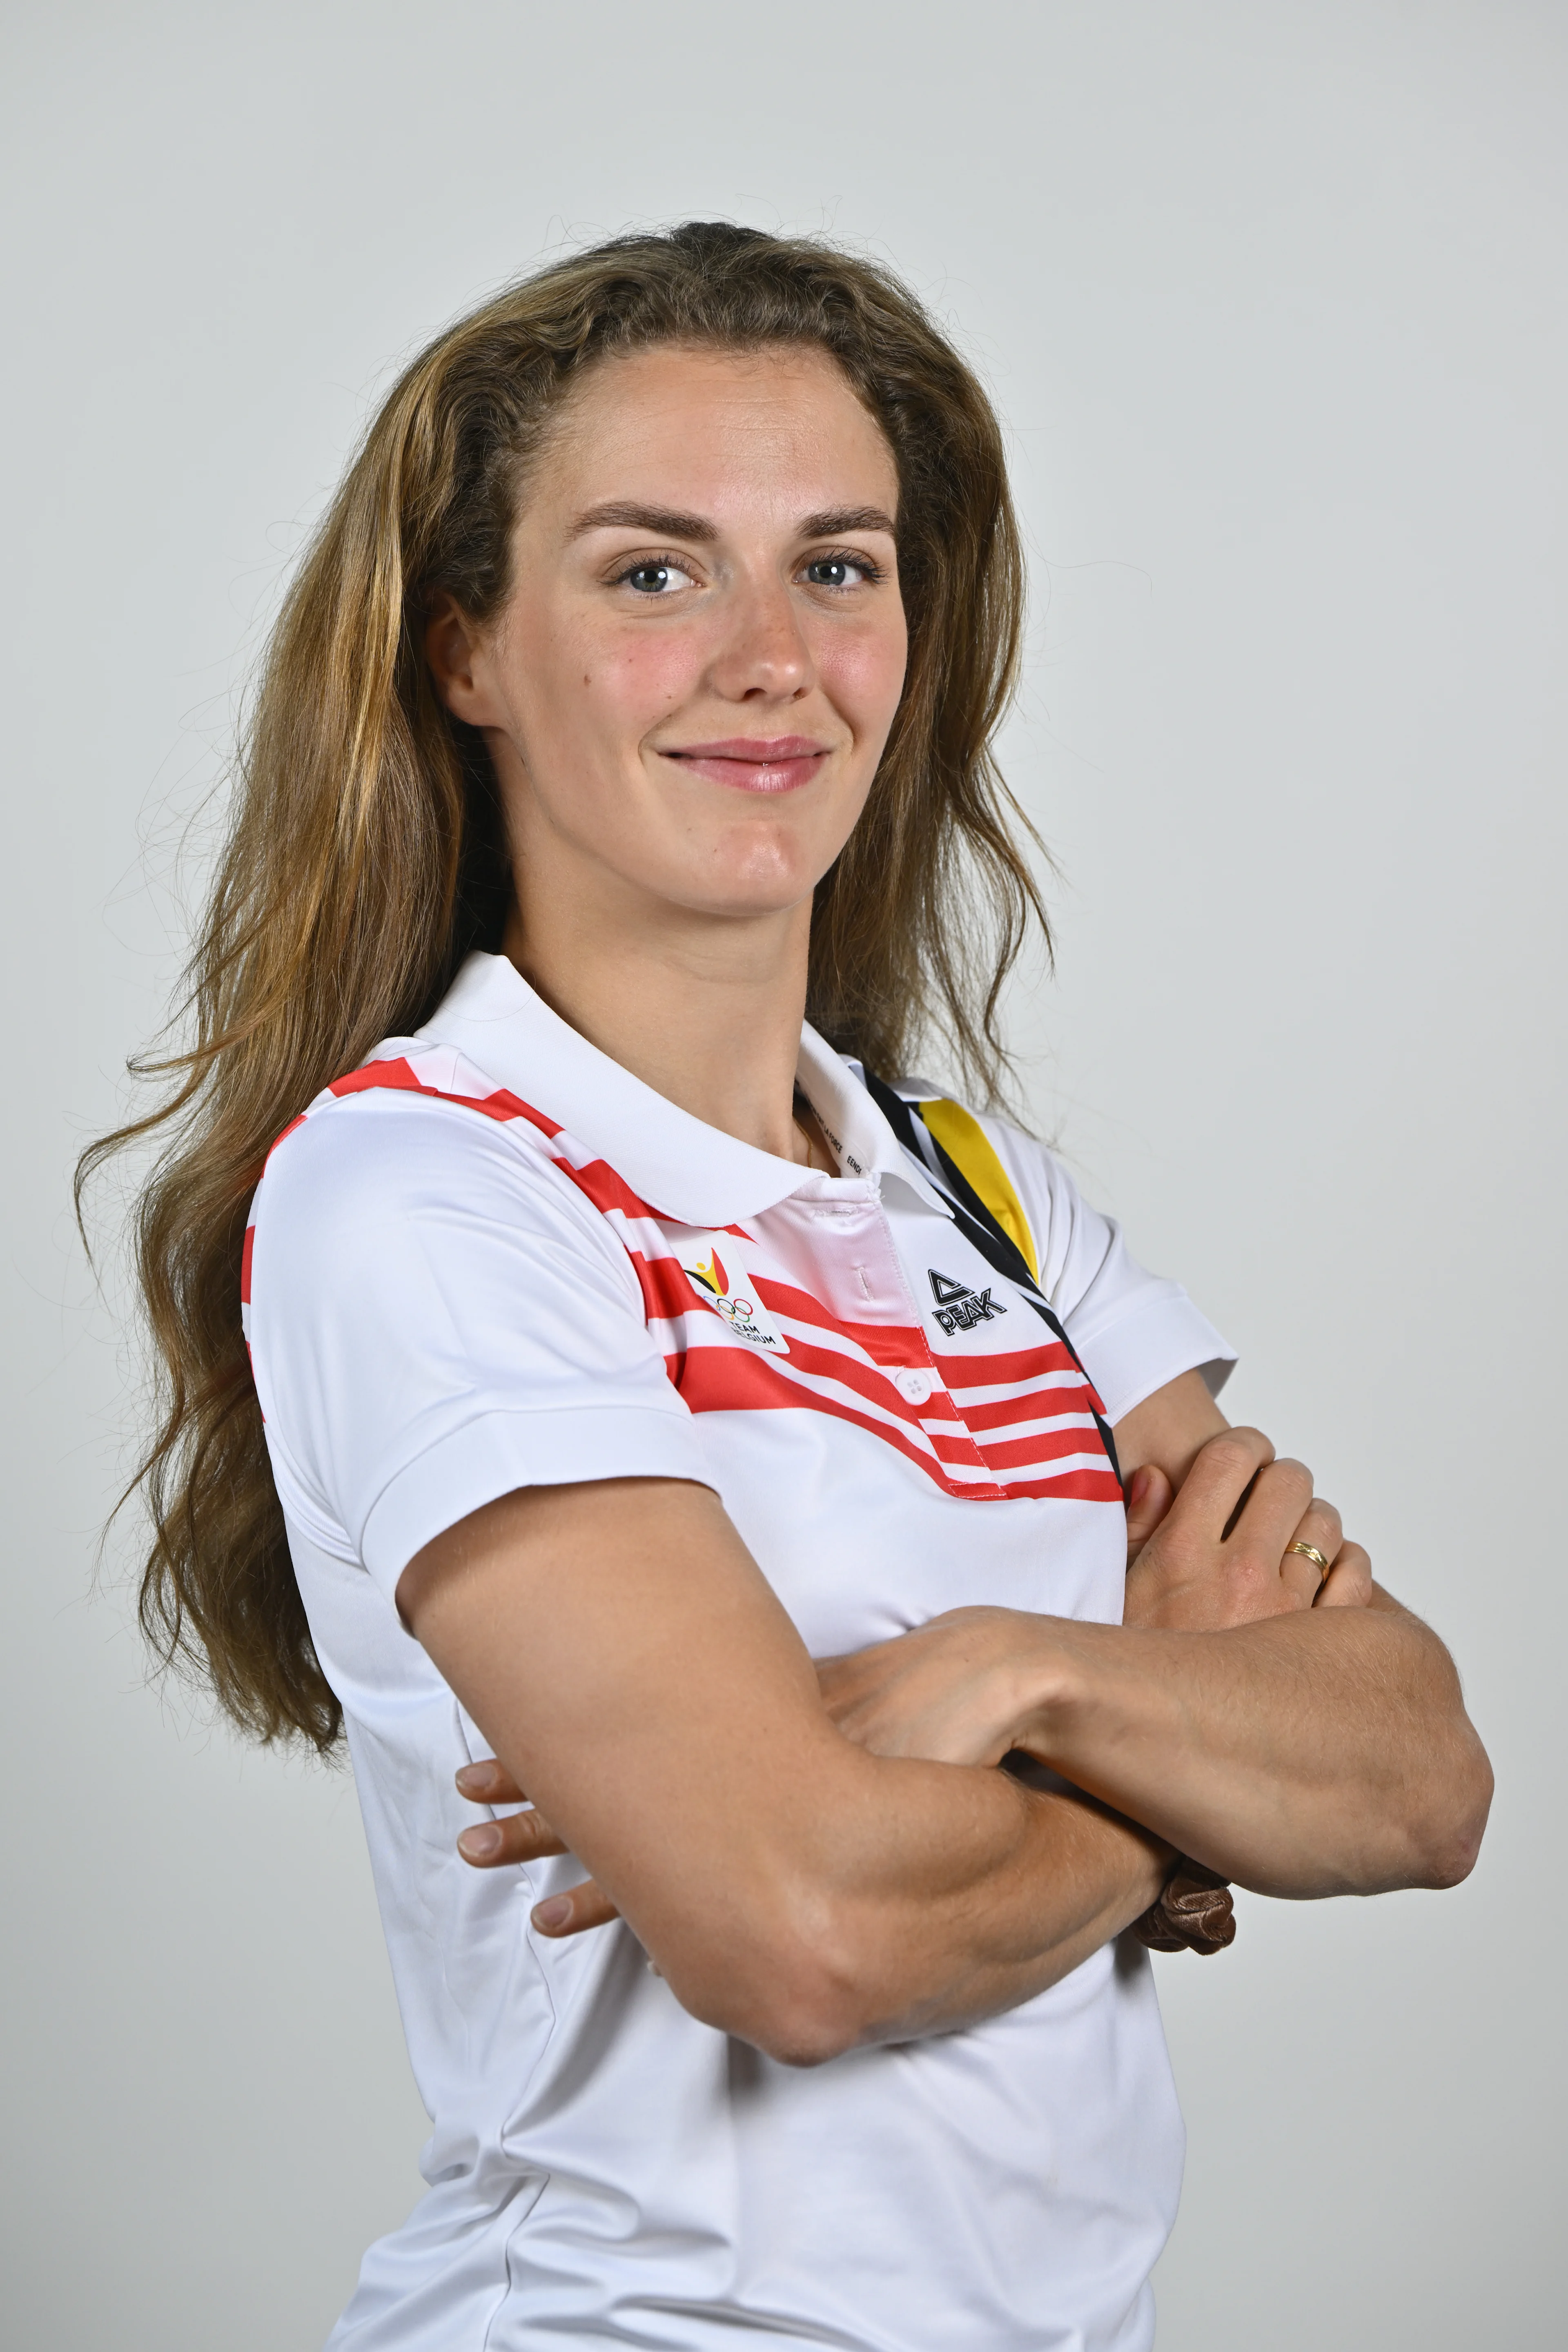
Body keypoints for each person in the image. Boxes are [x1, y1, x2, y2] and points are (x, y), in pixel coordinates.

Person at [91, 223, 1492, 2351]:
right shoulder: (428, 1191)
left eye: (837, 565)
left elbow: (1416, 1773)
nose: (769, 653)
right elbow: (811, 1937)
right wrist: (1180, 1810)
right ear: (464, 648)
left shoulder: (974, 1192)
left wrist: (1026, 1682)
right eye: (655, 571)